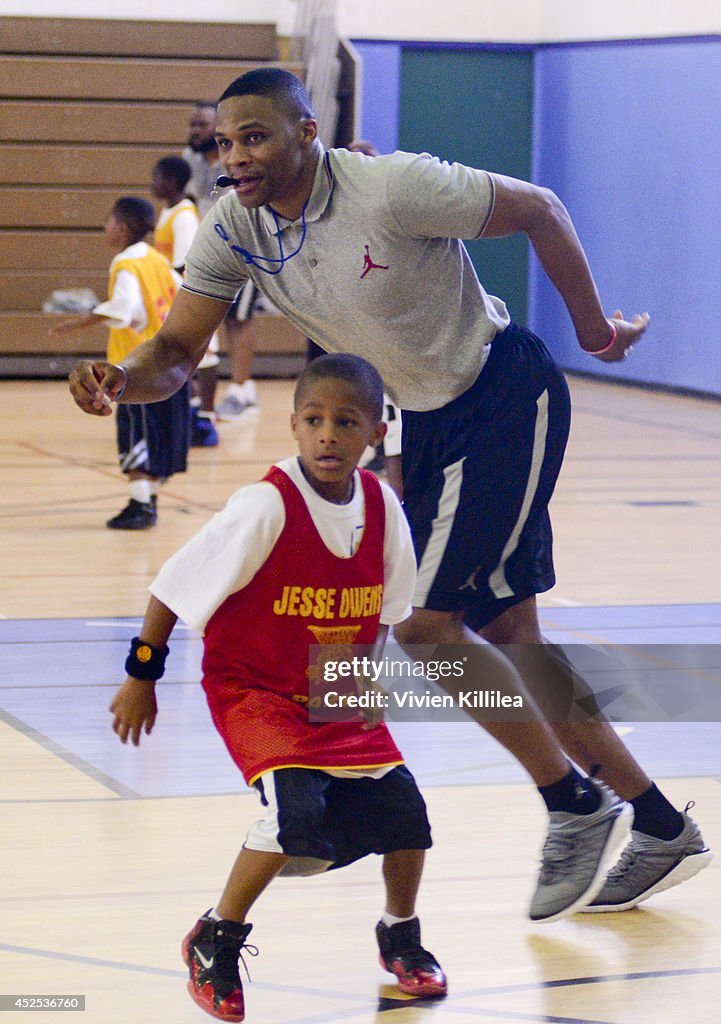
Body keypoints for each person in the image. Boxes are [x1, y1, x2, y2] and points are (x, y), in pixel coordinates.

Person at [70, 69, 711, 916]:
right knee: (511, 634)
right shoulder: (234, 226)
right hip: (425, 422)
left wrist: (594, 334)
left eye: (255, 137)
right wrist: (122, 378)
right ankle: (659, 824)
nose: (235, 157)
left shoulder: (390, 185)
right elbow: (177, 353)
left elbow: (541, 209)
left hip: (501, 394)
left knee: (426, 627)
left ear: (307, 133)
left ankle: (571, 803)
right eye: (225, 143)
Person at [108, 354, 447, 1021]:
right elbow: (173, 584)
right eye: (314, 421)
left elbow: (383, 615)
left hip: (331, 684)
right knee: (290, 817)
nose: (327, 435)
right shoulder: (265, 505)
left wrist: (358, 686)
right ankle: (216, 937)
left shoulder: (383, 509)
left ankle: (399, 934)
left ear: (375, 433)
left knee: (405, 816)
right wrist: (141, 674)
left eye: (344, 422)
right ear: (292, 426)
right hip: (254, 687)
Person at [57, 196, 189, 529]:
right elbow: (181, 295)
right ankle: (150, 499)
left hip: (133, 369)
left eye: (108, 222)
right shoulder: (158, 259)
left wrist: (83, 320)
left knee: (134, 436)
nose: (105, 229)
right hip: (167, 366)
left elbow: (124, 309)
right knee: (158, 437)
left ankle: (141, 505)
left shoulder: (126, 264)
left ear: (122, 228)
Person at [183, 101, 259, 423]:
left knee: (238, 320)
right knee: (208, 319)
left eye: (202, 125)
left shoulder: (235, 162)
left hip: (243, 250)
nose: (195, 131)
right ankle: (199, 388)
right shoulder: (188, 160)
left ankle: (242, 391)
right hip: (206, 252)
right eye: (193, 124)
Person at [151, 155, 219, 446]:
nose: (152, 183)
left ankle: (206, 417)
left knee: (207, 356)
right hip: (170, 292)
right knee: (179, 356)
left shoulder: (184, 215)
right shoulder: (168, 212)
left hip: (191, 293)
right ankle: (187, 415)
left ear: (171, 181)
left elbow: (184, 264)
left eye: (156, 177)